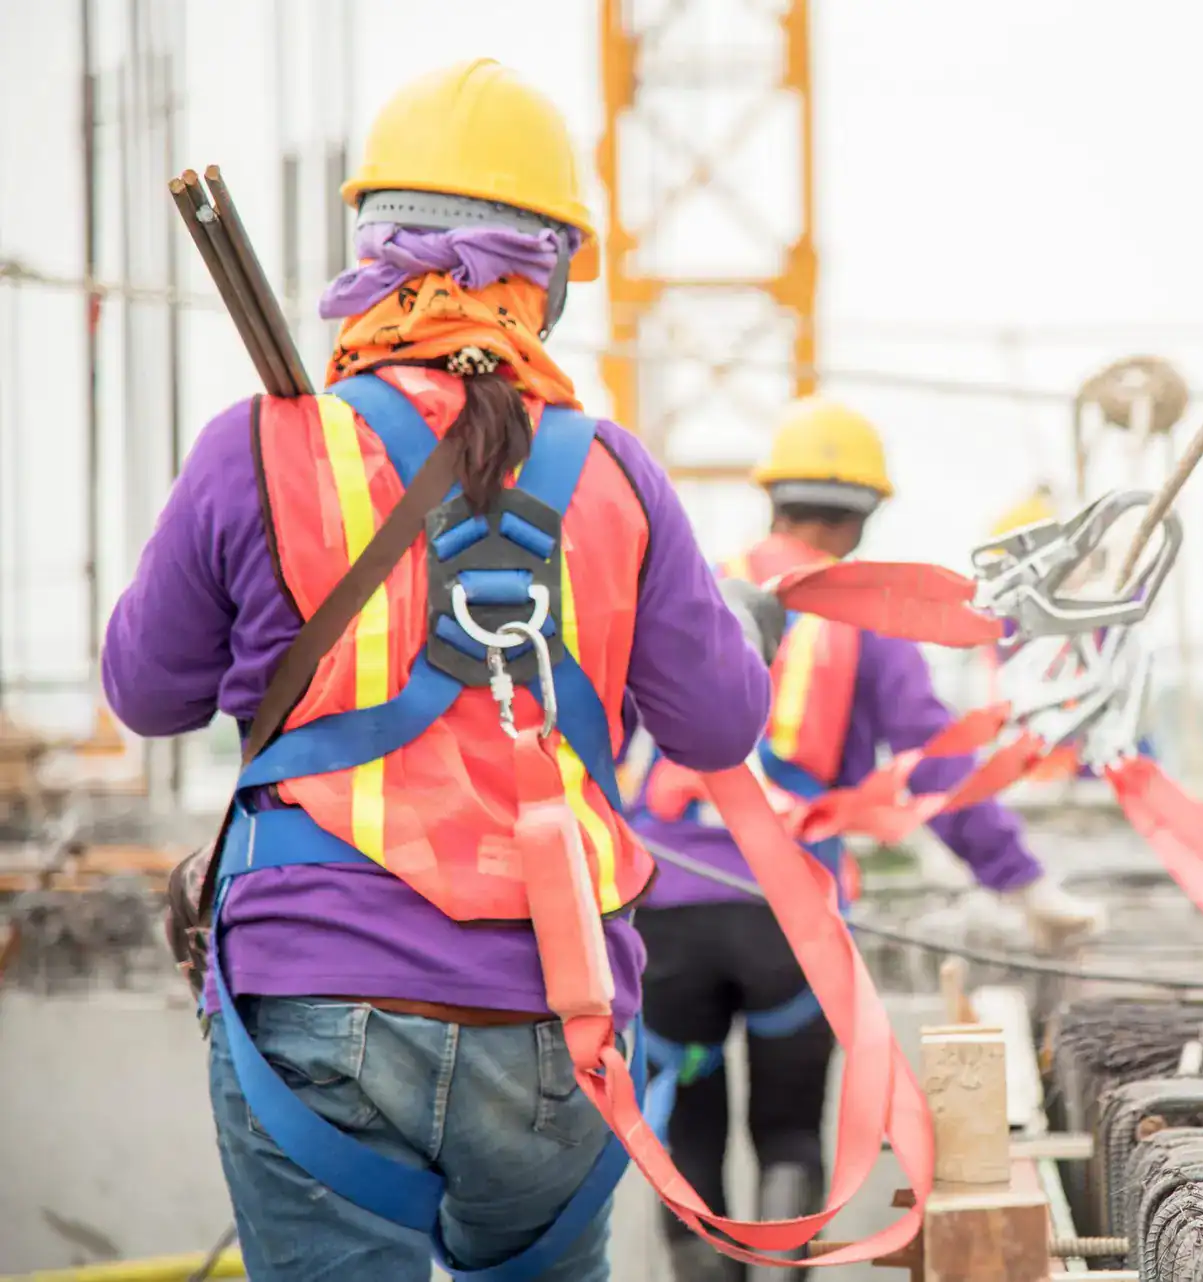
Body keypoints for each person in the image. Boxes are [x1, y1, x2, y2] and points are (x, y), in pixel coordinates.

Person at [103, 60, 781, 1280]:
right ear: (547, 275)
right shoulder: (615, 476)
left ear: (373, 254)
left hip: (314, 992)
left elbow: (148, 693)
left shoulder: (259, 448)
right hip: (557, 1015)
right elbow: (722, 722)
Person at [626, 399, 1104, 1282]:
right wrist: (1022, 882)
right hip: (791, 921)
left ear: (773, 497)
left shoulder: (687, 589)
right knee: (788, 1131)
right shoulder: (867, 621)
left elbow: (607, 735)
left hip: (669, 910)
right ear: (864, 519)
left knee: (687, 1120)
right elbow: (936, 767)